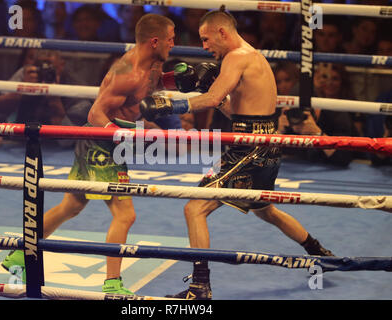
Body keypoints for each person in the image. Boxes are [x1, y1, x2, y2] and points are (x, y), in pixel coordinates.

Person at [140, 7, 334, 300]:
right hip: (262, 143)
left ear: (222, 32)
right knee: (265, 210)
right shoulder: (252, 56)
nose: (204, 47)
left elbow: (213, 98)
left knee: (194, 208)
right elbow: (236, 112)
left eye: (206, 39)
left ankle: (200, 287)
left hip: (251, 149)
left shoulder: (237, 57)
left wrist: (170, 105)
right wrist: (209, 92)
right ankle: (320, 253)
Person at [1, 13, 183, 295]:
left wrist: (180, 81)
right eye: (170, 39)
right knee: (126, 215)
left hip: (110, 140)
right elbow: (94, 112)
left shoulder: (156, 63)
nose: (175, 43)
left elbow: (150, 89)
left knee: (70, 207)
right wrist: (120, 133)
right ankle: (112, 284)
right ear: (155, 41)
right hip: (102, 142)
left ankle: (19, 253)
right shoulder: (127, 72)